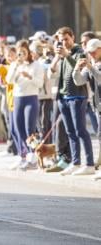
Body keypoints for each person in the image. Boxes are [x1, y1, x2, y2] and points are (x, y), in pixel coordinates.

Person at [50, 26, 94, 176]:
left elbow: (79, 71)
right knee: (70, 132)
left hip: (77, 97)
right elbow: (54, 74)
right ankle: (75, 163)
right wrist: (57, 58)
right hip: (63, 98)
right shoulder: (62, 54)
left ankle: (89, 164)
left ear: (72, 37)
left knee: (80, 131)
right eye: (61, 40)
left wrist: (66, 55)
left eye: (66, 39)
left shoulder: (80, 52)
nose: (63, 42)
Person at [6, 40, 44, 170]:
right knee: (18, 128)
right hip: (18, 98)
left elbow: (39, 84)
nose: (21, 55)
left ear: (28, 52)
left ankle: (33, 156)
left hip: (31, 97)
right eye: (19, 52)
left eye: (23, 52)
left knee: (29, 129)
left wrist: (29, 77)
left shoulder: (36, 65)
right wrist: (16, 66)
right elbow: (8, 80)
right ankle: (25, 155)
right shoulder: (16, 65)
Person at [73, 38, 101, 179]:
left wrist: (90, 67)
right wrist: (77, 68)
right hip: (97, 105)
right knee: (99, 135)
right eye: (89, 52)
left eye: (94, 51)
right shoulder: (91, 64)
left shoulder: (94, 66)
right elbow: (78, 81)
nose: (91, 54)